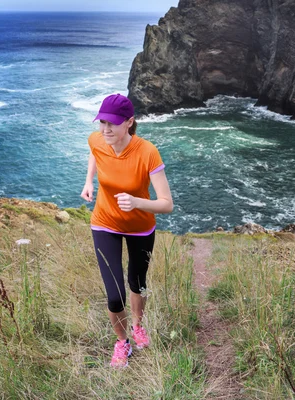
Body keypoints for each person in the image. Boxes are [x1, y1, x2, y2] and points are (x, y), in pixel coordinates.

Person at [81, 93, 173, 368]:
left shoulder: (147, 152)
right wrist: (89, 182)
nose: (105, 129)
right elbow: (94, 154)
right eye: (101, 123)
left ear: (129, 122)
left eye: (112, 124)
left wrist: (136, 203)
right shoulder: (97, 139)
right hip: (105, 222)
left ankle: (137, 325)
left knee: (138, 282)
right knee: (114, 294)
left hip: (140, 227)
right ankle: (122, 342)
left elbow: (167, 204)